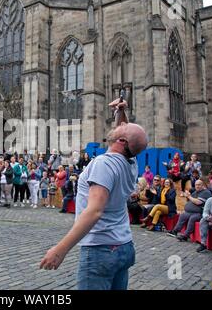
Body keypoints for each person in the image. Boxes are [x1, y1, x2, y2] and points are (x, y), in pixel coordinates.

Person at [40, 98, 148, 290]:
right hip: (123, 245)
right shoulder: (131, 163)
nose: (119, 125)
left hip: (101, 249)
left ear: (120, 141)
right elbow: (126, 135)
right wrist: (120, 112)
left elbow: (95, 211)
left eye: (122, 127)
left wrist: (61, 249)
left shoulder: (103, 164)